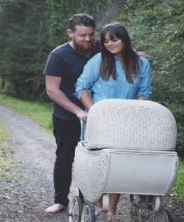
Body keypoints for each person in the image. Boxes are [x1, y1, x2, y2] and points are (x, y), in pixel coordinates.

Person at [74, 22, 152, 220]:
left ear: (124, 39)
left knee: (119, 165)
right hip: (100, 120)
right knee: (99, 163)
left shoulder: (142, 64)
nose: (109, 44)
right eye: (105, 41)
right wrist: (93, 110)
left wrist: (134, 110)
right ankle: (98, 206)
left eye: (114, 39)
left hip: (127, 122)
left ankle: (111, 212)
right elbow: (81, 86)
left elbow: (144, 92)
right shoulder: (98, 61)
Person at [43, 13, 100, 214]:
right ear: (70, 33)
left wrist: (137, 56)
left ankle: (89, 198)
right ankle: (60, 200)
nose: (88, 40)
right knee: (65, 156)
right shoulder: (58, 56)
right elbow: (52, 90)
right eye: (82, 35)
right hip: (67, 115)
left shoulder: (101, 49)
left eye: (91, 35)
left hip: (98, 115)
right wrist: (77, 111)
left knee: (95, 157)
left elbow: (123, 54)